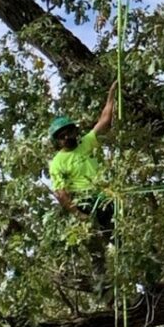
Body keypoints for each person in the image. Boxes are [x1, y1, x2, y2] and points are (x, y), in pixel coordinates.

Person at [48, 82, 117, 235]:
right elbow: (62, 194)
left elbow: (105, 121)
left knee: (121, 230)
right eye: (61, 136)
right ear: (57, 141)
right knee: (109, 231)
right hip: (86, 201)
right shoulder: (57, 163)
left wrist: (111, 95)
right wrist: (79, 215)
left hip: (105, 195)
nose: (66, 137)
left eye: (68, 132)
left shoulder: (87, 142)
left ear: (75, 132)